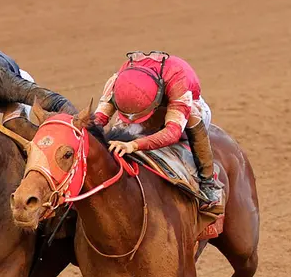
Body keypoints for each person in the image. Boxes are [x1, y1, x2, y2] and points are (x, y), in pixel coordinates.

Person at [92, 51, 223, 214]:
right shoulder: (119, 80)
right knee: (121, 130)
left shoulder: (177, 80)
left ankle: (208, 183)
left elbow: (173, 133)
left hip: (185, 106)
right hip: (142, 106)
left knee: (193, 117)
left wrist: (133, 145)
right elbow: (97, 120)